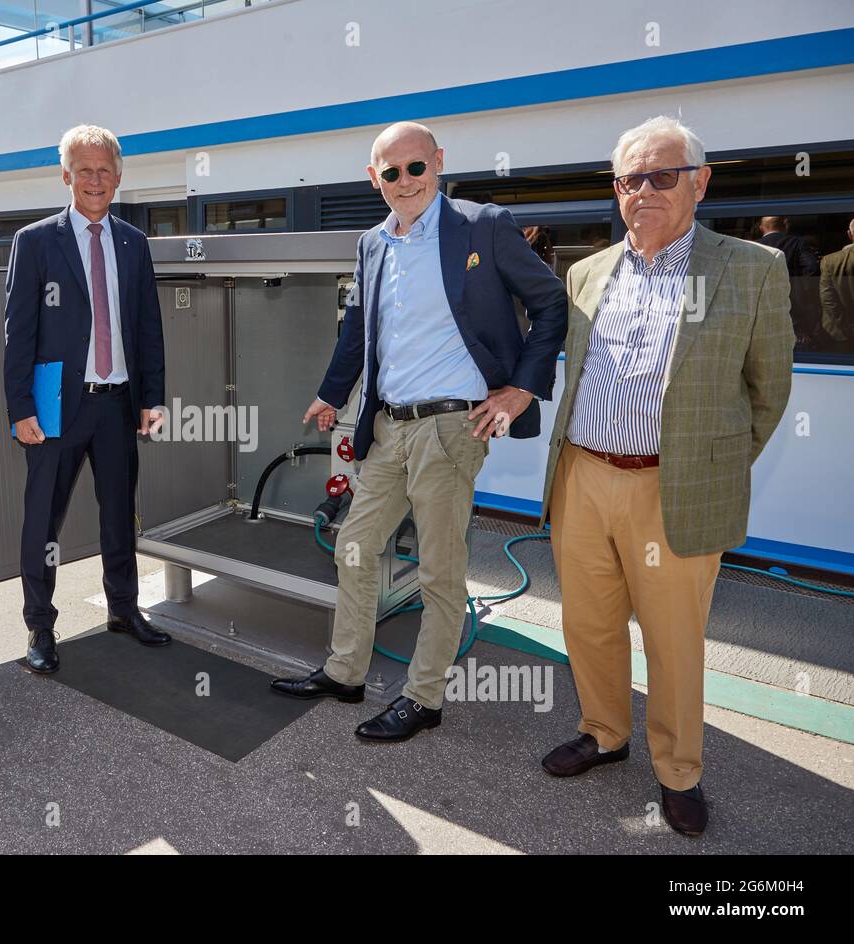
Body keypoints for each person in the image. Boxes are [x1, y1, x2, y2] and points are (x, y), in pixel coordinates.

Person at [537, 116, 794, 836]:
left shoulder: (750, 268)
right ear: (615, 190)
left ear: (699, 182)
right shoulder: (586, 272)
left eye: (662, 175)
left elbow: (769, 390)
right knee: (587, 624)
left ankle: (680, 770)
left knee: (673, 637)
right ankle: (604, 732)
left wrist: (706, 466)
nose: (644, 190)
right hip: (583, 477)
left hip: (671, 486)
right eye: (629, 179)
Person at [270, 121, 567, 742]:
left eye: (414, 167)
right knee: (355, 545)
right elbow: (358, 330)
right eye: (390, 172)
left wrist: (520, 387)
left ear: (438, 163)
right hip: (390, 427)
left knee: (438, 567)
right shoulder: (373, 243)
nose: (404, 182)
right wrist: (330, 394)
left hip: (452, 427)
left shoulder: (482, 227)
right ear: (372, 177)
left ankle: (424, 697)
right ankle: (345, 671)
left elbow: (551, 304)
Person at [3, 124, 169, 674]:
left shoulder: (133, 243)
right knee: (42, 521)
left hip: (118, 404)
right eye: (84, 169)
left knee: (120, 515)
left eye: (104, 170)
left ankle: (123, 609)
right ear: (66, 175)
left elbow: (148, 328)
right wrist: (20, 408)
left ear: (118, 177)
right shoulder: (35, 242)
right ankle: (40, 627)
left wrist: (153, 399)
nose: (95, 180)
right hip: (54, 407)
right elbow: (18, 333)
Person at [756, 216, 820, 345]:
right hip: (793, 304)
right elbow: (812, 267)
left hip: (761, 304)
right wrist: (803, 289)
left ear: (761, 228)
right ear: (785, 226)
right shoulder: (797, 243)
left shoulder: (753, 246)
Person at [819, 217, 854, 353]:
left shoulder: (830, 261)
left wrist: (844, 330)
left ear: (849, 235)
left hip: (840, 335)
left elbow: (828, 301)